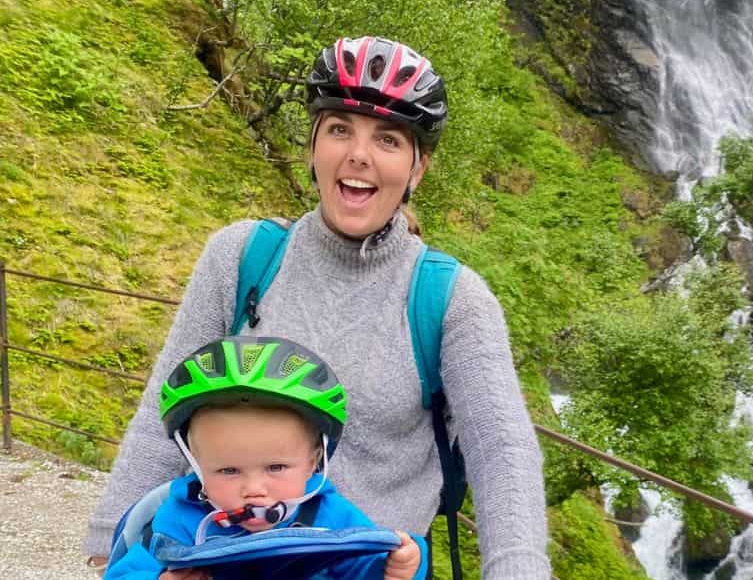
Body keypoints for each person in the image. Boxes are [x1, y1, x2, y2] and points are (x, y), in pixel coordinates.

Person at [85, 35, 550, 578]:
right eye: (339, 130)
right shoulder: (241, 257)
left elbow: (502, 451)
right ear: (312, 148)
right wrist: (113, 537)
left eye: (389, 139)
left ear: (417, 170)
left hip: (374, 568)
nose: (359, 154)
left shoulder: (452, 300)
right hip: (234, 557)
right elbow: (164, 406)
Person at [105, 336, 424, 580]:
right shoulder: (180, 520)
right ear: (197, 464)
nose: (254, 488)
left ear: (315, 461)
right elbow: (125, 572)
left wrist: (398, 566)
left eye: (276, 467)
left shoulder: (330, 517)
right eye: (229, 470)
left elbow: (364, 562)